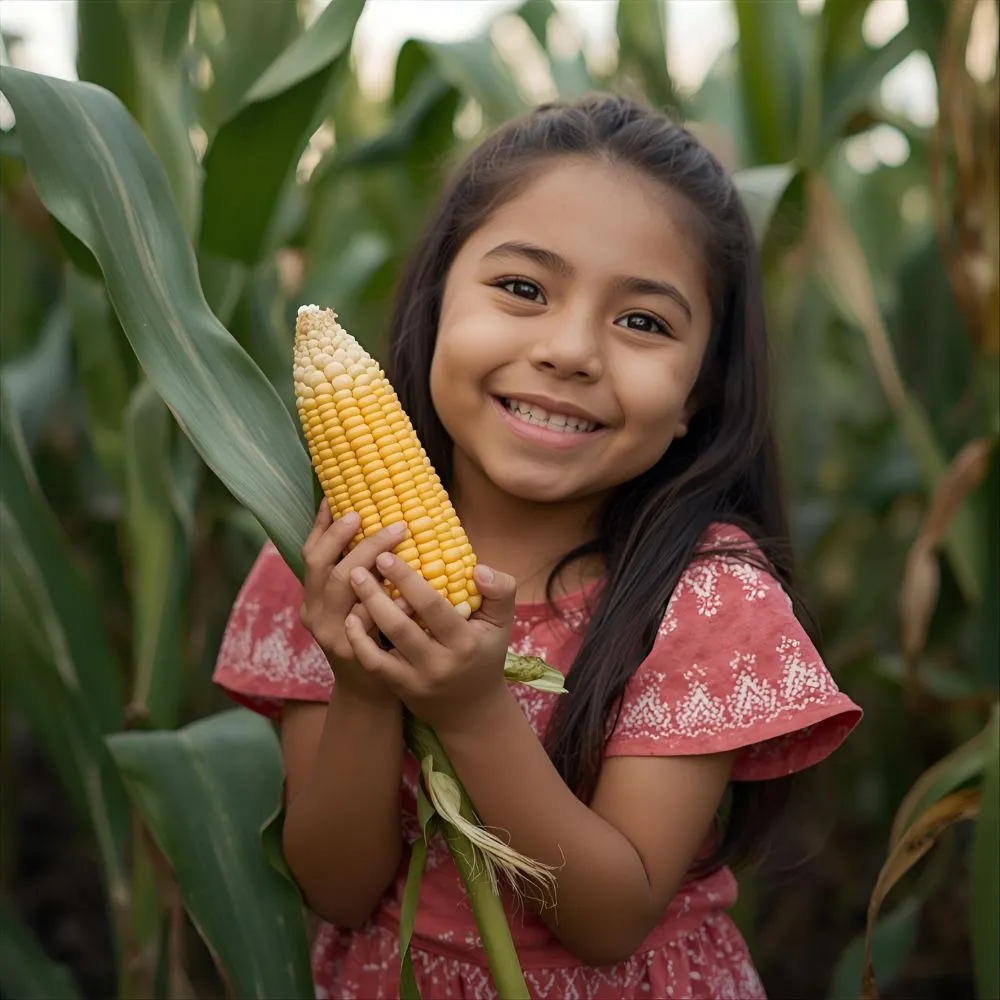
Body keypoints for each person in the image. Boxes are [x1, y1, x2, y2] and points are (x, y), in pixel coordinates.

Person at [213, 92, 862, 999]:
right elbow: (336, 887)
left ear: (695, 401)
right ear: (438, 305)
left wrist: (476, 712)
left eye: (642, 322)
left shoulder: (706, 598)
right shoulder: (325, 556)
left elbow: (609, 919)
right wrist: (363, 679)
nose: (569, 350)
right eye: (522, 289)